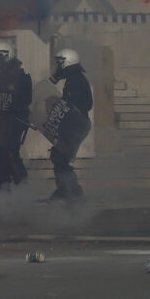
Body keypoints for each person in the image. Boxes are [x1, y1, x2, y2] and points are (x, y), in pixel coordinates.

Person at [46, 47, 93, 201]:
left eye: (60, 62)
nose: (58, 66)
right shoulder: (74, 79)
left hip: (76, 124)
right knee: (60, 156)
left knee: (60, 156)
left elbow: (84, 104)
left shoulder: (76, 80)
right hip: (75, 124)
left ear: (67, 63)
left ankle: (69, 191)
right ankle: (69, 190)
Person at [0, 39, 32, 192]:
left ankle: (22, 190)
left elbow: (13, 99)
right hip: (2, 120)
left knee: (10, 152)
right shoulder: (1, 76)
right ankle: (0, 186)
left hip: (13, 120)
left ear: (6, 56)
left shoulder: (16, 76)